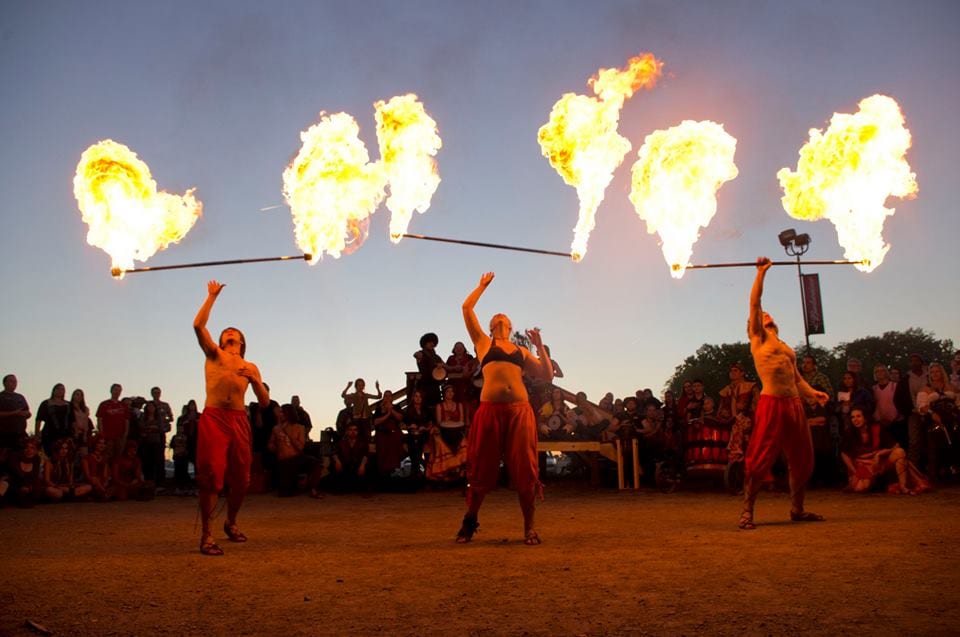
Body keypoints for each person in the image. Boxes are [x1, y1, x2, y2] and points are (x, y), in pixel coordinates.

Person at [457, 272, 553, 545]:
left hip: (519, 411)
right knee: (482, 468)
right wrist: (481, 286)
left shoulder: (520, 351)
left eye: (504, 316)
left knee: (525, 469)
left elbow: (546, 375)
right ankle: (469, 521)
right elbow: (466, 308)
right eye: (496, 316)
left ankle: (529, 528)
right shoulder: (483, 343)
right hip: (490, 411)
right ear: (490, 327)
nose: (500, 315)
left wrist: (539, 347)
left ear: (510, 326)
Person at [739, 257, 829, 530]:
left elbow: (797, 378)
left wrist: (813, 393)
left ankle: (797, 509)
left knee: (802, 459)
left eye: (768, 314)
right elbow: (755, 303)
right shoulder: (758, 339)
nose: (765, 314)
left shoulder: (786, 346)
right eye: (761, 315)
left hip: (794, 404)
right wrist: (760, 274)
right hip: (771, 404)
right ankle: (747, 512)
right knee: (759, 459)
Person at [193, 280, 270, 556]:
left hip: (239, 420)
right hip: (214, 418)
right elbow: (199, 326)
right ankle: (207, 535)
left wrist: (255, 381)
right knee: (211, 475)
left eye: (233, 332)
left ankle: (231, 522)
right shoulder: (214, 356)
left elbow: (264, 402)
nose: (228, 333)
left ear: (241, 341)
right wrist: (211, 296)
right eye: (225, 332)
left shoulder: (250, 366)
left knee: (242, 479)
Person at [840, 407, 929, 495]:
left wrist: (879, 454)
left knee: (900, 452)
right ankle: (883, 484)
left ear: (865, 418)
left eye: (858, 416)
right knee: (861, 488)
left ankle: (903, 487)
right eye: (853, 417)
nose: (855, 419)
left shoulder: (876, 429)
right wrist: (855, 471)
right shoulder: (850, 433)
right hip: (863, 466)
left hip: (878, 463)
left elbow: (896, 445)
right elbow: (844, 454)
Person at [268, 404, 322, 498]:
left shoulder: (299, 427)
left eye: (282, 412)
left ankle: (314, 489)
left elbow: (300, 447)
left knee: (316, 463)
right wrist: (272, 446)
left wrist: (288, 434)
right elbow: (270, 443)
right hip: (283, 462)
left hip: (297, 458)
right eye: (280, 412)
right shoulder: (276, 428)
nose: (280, 414)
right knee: (284, 493)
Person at [425, 385, 468, 483]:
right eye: (448, 391)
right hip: (444, 431)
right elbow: (440, 422)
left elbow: (462, 421)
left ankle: (459, 472)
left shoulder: (459, 405)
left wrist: (454, 423)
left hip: (457, 431)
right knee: (440, 443)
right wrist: (447, 422)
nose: (450, 393)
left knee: (464, 442)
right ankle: (445, 471)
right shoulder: (439, 406)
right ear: (444, 394)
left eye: (452, 391)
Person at [373, 390, 405, 486]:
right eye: (385, 396)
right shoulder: (378, 409)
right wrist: (387, 414)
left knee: (396, 444)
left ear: (392, 398)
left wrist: (391, 410)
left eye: (389, 396)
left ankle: (395, 472)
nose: (387, 398)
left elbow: (400, 418)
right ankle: (383, 474)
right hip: (382, 433)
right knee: (382, 447)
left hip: (394, 432)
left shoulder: (397, 407)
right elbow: (376, 422)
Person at [402, 389, 433, 480]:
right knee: (412, 442)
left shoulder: (426, 409)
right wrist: (409, 426)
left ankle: (415, 470)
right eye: (416, 396)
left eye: (420, 396)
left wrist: (425, 428)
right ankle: (416, 470)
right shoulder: (409, 409)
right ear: (413, 398)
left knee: (419, 442)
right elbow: (402, 425)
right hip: (412, 433)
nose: (418, 398)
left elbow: (431, 423)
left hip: (423, 433)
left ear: (422, 398)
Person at [331, 422, 369, 492]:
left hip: (357, 465)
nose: (353, 432)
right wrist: (337, 461)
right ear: (347, 431)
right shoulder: (341, 442)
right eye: (351, 430)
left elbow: (365, 455)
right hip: (345, 465)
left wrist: (362, 465)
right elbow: (334, 452)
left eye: (355, 430)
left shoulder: (362, 442)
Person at [95, 383, 130, 460]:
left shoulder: (123, 405)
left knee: (118, 457)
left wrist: (126, 433)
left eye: (119, 390)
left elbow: (126, 420)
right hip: (108, 435)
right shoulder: (104, 404)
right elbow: (99, 419)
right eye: (115, 390)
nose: (117, 392)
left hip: (120, 436)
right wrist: (101, 432)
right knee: (107, 456)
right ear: (111, 391)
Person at [36, 383, 71, 457]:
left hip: (65, 433)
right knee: (50, 455)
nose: (60, 391)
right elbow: (38, 419)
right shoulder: (46, 403)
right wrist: (37, 434)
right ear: (54, 390)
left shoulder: (68, 404)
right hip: (49, 433)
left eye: (62, 389)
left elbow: (72, 419)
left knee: (65, 456)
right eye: (58, 389)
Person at [0, 374, 31, 453]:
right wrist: (14, 413)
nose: (14, 383)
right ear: (4, 383)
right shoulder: (1, 396)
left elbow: (27, 412)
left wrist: (26, 414)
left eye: (15, 381)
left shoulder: (20, 397)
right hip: (4, 434)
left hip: (20, 433)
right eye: (11, 381)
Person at [82, 435, 112, 501]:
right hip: (91, 481)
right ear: (95, 444)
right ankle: (104, 492)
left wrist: (105, 482)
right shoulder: (86, 458)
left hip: (101, 482)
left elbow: (105, 474)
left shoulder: (105, 459)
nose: (102, 445)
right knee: (94, 480)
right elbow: (87, 475)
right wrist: (96, 481)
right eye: (99, 443)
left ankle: (102, 493)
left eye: (104, 443)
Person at [68, 389, 93, 459]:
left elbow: (86, 421)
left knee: (84, 454)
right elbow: (71, 420)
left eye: (80, 395)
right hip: (73, 432)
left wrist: (85, 434)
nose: (78, 397)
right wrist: (75, 431)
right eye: (77, 394)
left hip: (83, 433)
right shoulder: (69, 407)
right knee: (72, 453)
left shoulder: (85, 409)